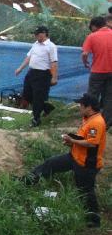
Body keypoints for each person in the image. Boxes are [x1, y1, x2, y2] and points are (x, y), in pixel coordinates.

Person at [23, 94, 106, 227]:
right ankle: (26, 181)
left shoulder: (96, 122)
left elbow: (92, 143)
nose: (79, 107)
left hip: (87, 164)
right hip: (74, 157)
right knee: (50, 164)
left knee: (86, 190)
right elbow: (83, 138)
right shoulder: (88, 118)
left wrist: (72, 140)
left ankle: (94, 220)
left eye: (81, 105)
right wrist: (72, 143)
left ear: (89, 107)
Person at [14, 25, 58, 127]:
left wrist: (54, 77)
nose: (36, 36)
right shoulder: (36, 44)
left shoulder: (51, 46)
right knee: (27, 94)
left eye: (38, 34)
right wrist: (20, 68)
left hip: (43, 74)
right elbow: (29, 57)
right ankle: (47, 107)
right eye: (35, 34)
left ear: (44, 33)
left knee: (38, 97)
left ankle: (36, 119)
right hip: (32, 72)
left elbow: (54, 63)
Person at [82, 16, 112, 127]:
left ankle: (90, 121)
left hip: (98, 71)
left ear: (94, 26)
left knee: (92, 95)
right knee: (109, 97)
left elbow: (85, 54)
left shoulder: (92, 36)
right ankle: (106, 123)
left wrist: (85, 62)